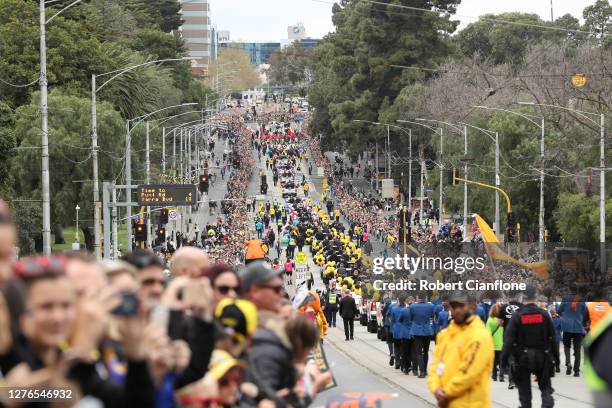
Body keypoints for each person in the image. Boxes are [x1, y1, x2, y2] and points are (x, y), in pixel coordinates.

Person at [428, 291, 494, 408]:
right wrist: (436, 388)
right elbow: (436, 366)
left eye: (461, 306)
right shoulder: (445, 335)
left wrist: (446, 393)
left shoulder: (480, 336)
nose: (457, 310)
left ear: (472, 307)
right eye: (454, 306)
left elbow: (470, 372)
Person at [502, 286, 558, 408]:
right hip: (542, 355)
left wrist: (503, 361)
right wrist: (556, 358)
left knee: (524, 392)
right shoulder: (544, 315)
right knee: (545, 387)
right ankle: (547, 402)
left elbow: (508, 340)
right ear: (536, 298)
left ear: (523, 298)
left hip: (523, 357)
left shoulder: (517, 316)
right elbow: (553, 338)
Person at [557, 286, 587, 376]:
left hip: (567, 327)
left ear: (569, 289)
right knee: (577, 349)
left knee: (567, 347)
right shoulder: (581, 299)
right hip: (578, 327)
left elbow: (559, 311)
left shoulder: (565, 298)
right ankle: (576, 371)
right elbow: (584, 312)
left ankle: (568, 364)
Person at [410, 295, 434, 378]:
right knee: (426, 351)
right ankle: (425, 369)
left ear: (417, 298)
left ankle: (422, 371)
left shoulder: (413, 306)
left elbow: (411, 317)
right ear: (426, 297)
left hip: (417, 331)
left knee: (419, 352)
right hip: (427, 330)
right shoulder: (431, 306)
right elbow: (432, 316)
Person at [486, 304, 505, 382]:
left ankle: (494, 376)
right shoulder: (502, 320)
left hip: (493, 343)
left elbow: (487, 332)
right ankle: (501, 375)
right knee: (502, 361)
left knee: (494, 361)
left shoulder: (490, 320)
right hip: (502, 343)